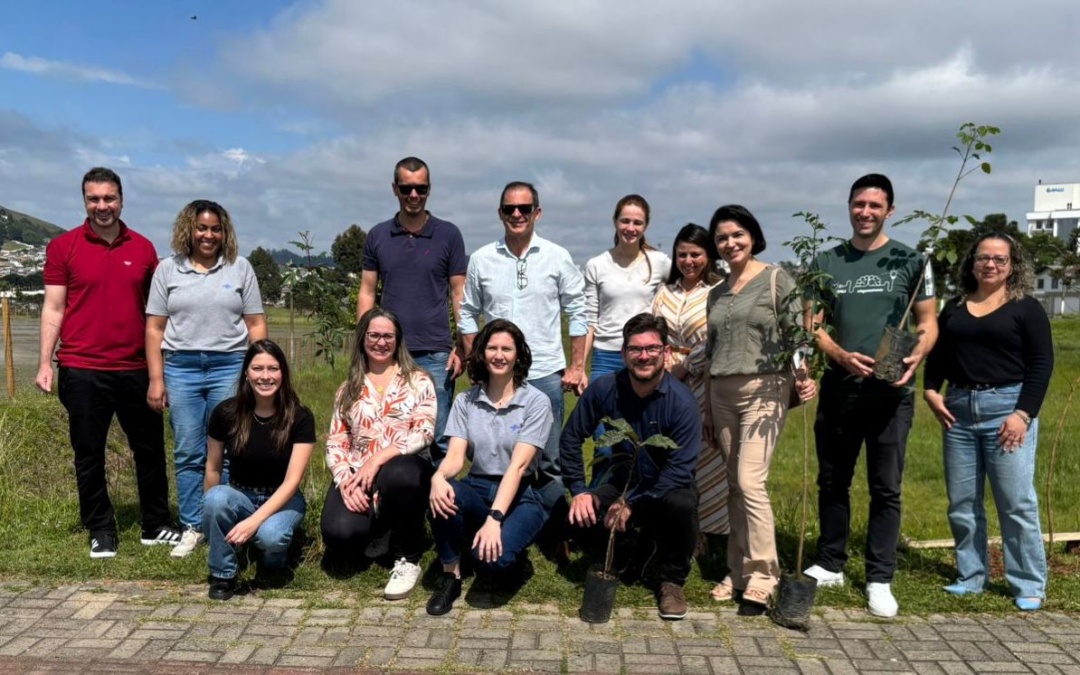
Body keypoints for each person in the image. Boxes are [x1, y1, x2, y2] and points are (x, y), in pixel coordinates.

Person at [803, 174, 938, 618]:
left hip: (891, 392)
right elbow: (812, 324)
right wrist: (838, 354)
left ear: (890, 210)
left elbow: (928, 321)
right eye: (858, 204)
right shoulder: (827, 261)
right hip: (841, 388)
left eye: (874, 206)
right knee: (832, 480)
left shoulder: (911, 260)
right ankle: (830, 561)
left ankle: (879, 577)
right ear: (848, 207)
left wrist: (918, 351)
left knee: (886, 487)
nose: (865, 212)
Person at [36, 167, 180, 558]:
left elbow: (157, 315)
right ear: (84, 201)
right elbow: (53, 307)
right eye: (94, 199)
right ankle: (100, 528)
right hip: (82, 369)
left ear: (121, 199)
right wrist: (45, 362)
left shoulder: (144, 249)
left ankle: (155, 524)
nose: (102, 206)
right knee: (89, 452)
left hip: (135, 367)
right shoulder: (63, 246)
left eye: (109, 198)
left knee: (150, 449)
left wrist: (160, 369)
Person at [923, 233, 1053, 611]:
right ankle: (971, 575)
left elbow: (1042, 364)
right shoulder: (955, 307)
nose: (991, 265)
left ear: (1013, 266)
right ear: (972, 262)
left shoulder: (1026, 308)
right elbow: (939, 356)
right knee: (962, 503)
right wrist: (931, 390)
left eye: (1000, 259)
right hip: (959, 411)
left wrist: (1023, 414)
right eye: (983, 258)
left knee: (1015, 501)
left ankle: (1028, 581)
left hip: (1007, 410)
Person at [702, 206, 816, 608]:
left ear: (753, 235)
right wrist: (707, 411)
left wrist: (803, 375)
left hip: (765, 388)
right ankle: (737, 570)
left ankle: (765, 575)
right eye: (721, 238)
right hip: (721, 392)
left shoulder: (775, 280)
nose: (729, 243)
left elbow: (797, 336)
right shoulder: (715, 292)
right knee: (735, 484)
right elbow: (712, 350)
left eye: (737, 235)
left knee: (751, 481)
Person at [146, 199, 267, 558]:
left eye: (215, 228)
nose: (208, 235)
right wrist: (157, 378)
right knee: (188, 450)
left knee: (230, 448)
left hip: (229, 365)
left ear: (224, 232)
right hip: (181, 367)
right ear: (189, 230)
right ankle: (192, 525)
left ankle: (225, 520)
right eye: (202, 228)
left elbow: (256, 323)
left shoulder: (239, 268)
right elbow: (154, 329)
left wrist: (259, 371)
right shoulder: (168, 270)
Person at [561, 313, 701, 621]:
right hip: (623, 481)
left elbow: (680, 470)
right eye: (635, 349)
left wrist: (630, 504)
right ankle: (635, 548)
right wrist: (581, 491)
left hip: (665, 488)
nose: (644, 356)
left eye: (652, 348)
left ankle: (672, 579)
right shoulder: (604, 389)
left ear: (666, 353)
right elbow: (571, 438)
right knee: (582, 517)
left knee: (682, 504)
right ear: (624, 353)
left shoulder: (682, 403)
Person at [460, 181, 588, 515]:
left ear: (537, 213)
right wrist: (476, 362)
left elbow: (578, 310)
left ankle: (555, 527)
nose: (517, 214)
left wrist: (576, 366)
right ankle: (503, 516)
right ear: (500, 213)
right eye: (509, 209)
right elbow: (468, 312)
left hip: (544, 372)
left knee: (549, 457)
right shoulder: (482, 259)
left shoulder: (558, 257)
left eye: (525, 208)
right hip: (496, 374)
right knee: (494, 453)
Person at [426, 319, 555, 616]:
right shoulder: (465, 401)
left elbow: (519, 466)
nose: (499, 355)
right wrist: (439, 476)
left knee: (493, 563)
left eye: (507, 349)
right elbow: (456, 456)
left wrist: (495, 518)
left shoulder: (536, 402)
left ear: (519, 355)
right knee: (443, 492)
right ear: (482, 353)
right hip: (478, 484)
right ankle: (451, 575)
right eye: (492, 348)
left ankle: (510, 556)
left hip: (521, 492)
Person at [321, 308, 436, 601]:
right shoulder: (348, 388)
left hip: (404, 472)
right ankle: (380, 528)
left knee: (400, 474)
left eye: (388, 336)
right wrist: (344, 480)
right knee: (340, 534)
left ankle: (408, 554)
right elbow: (336, 440)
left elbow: (424, 431)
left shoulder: (418, 380)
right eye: (374, 335)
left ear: (398, 341)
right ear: (362, 339)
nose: (381, 342)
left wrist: (380, 457)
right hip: (359, 474)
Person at [358, 157, 468, 463]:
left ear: (429, 189)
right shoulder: (378, 236)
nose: (414, 195)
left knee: (439, 437)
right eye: (407, 188)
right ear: (395, 189)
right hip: (388, 353)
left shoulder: (448, 235)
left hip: (436, 353)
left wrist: (463, 345)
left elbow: (459, 293)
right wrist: (363, 343)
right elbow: (367, 292)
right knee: (393, 434)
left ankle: (441, 506)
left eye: (420, 188)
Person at [202, 340, 315, 600]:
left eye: (273, 369)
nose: (265, 376)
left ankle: (273, 558)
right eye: (258, 368)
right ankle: (223, 573)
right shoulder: (226, 413)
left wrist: (254, 522)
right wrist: (212, 522)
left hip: (284, 498)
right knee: (216, 498)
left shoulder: (300, 417)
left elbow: (292, 481)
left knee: (271, 536)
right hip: (240, 494)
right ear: (246, 373)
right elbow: (213, 467)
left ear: (283, 373)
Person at [651, 224, 729, 543]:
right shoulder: (665, 292)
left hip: (704, 380)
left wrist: (686, 366)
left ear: (708, 256)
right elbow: (656, 331)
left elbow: (716, 338)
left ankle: (710, 531)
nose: (689, 260)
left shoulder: (719, 292)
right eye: (682, 254)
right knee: (672, 449)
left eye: (695, 254)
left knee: (706, 452)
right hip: (666, 379)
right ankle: (676, 527)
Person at [584, 194, 670, 379]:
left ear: (645, 225)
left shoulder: (660, 262)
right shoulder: (596, 265)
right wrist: (579, 368)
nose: (630, 228)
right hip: (605, 356)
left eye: (637, 223)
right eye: (625, 221)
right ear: (615, 222)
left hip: (645, 354)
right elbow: (590, 321)